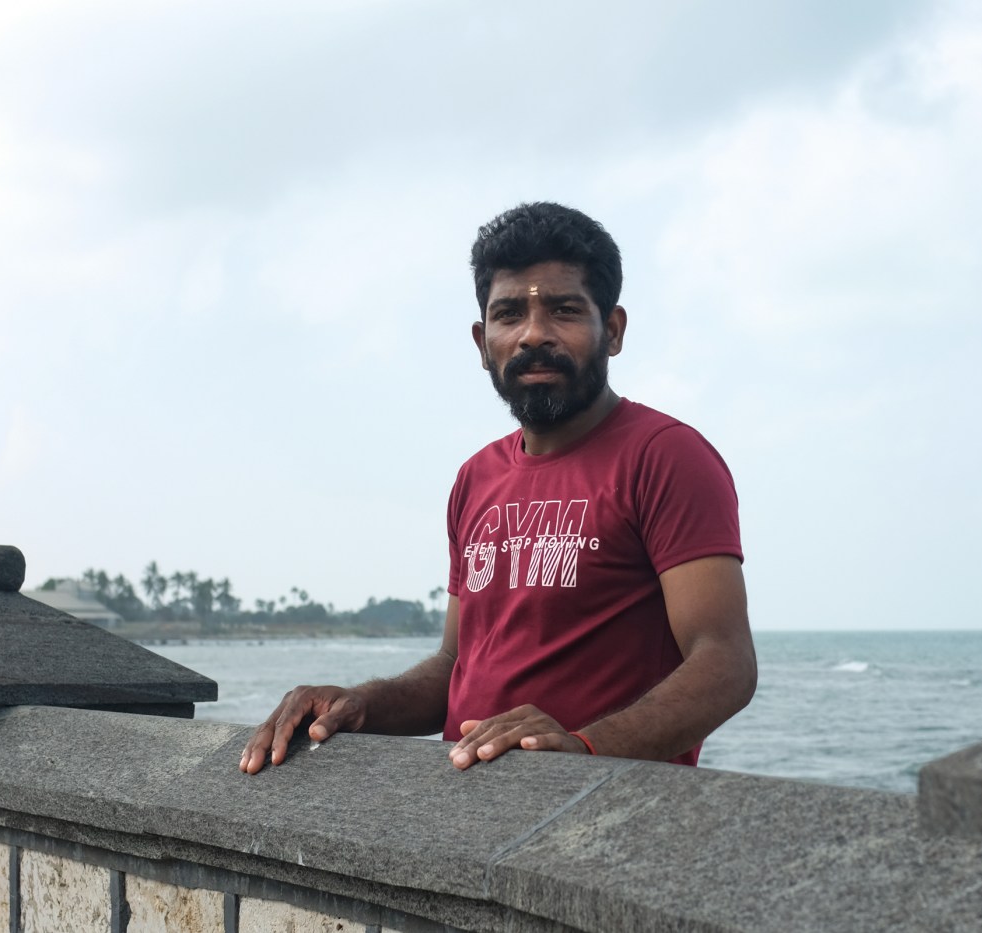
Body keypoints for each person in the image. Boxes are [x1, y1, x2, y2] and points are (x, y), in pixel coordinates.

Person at [240, 202, 756, 774]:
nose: (534, 334)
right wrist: (358, 705)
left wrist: (582, 747)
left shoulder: (665, 456)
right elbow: (454, 664)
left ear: (612, 331)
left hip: (605, 821)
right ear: (483, 341)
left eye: (563, 310)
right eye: (509, 314)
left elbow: (725, 662)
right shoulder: (476, 478)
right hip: (471, 824)